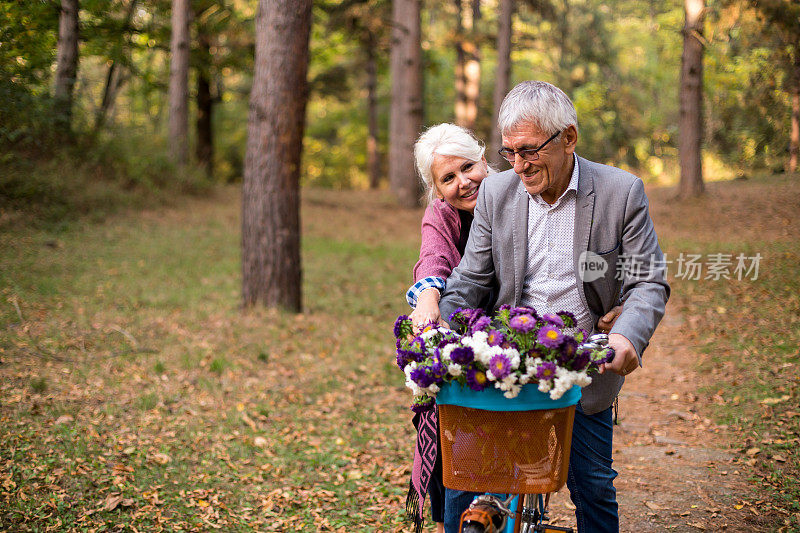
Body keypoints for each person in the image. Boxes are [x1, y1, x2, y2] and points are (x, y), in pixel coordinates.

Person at [436, 81, 670, 532]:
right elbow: (470, 280)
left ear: (568, 138)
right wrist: (440, 331)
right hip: (506, 363)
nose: (520, 166)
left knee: (594, 486)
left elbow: (648, 280)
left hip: (583, 367)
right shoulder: (497, 194)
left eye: (530, 151)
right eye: (509, 153)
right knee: (468, 486)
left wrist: (624, 337)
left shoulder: (622, 193)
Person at [403, 123, 623, 533]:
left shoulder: (519, 191)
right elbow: (433, 259)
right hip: (475, 340)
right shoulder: (442, 216)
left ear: (486, 161)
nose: (462, 182)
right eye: (447, 178)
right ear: (436, 190)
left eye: (468, 167)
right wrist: (429, 297)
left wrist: (617, 304)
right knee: (464, 464)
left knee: (586, 474)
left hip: (532, 332)